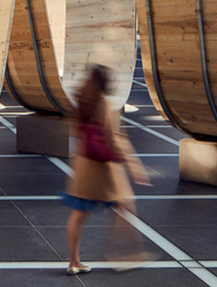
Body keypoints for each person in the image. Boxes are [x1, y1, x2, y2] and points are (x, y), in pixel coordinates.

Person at [61, 64, 150, 275]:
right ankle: (125, 254)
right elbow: (116, 140)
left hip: (83, 168)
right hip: (105, 169)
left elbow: (76, 131)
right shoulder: (106, 106)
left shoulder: (82, 103)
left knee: (78, 214)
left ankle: (74, 261)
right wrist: (135, 167)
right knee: (126, 204)